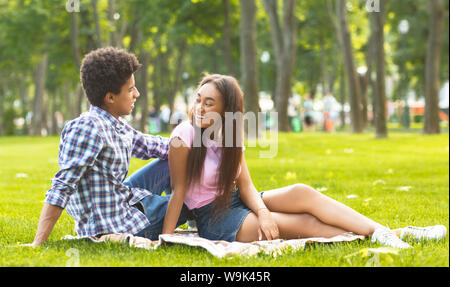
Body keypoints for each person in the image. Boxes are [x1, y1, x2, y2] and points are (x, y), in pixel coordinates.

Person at [162, 74, 446, 249]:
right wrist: (166, 238)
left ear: (226, 110)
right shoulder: (183, 135)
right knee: (305, 223)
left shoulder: (231, 133)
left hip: (237, 201)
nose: (199, 107)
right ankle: (397, 234)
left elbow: (245, 185)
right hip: (215, 219)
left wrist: (261, 211)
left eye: (209, 103)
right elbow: (179, 192)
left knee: (303, 192)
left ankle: (383, 233)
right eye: (198, 99)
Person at [25, 47, 189, 246]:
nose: (137, 94)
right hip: (116, 224)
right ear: (110, 97)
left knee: (174, 159)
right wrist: (37, 244)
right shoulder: (88, 128)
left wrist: (205, 149)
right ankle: (203, 220)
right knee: (195, 200)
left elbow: (152, 145)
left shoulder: (113, 123)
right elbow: (62, 187)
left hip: (121, 201)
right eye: (130, 90)